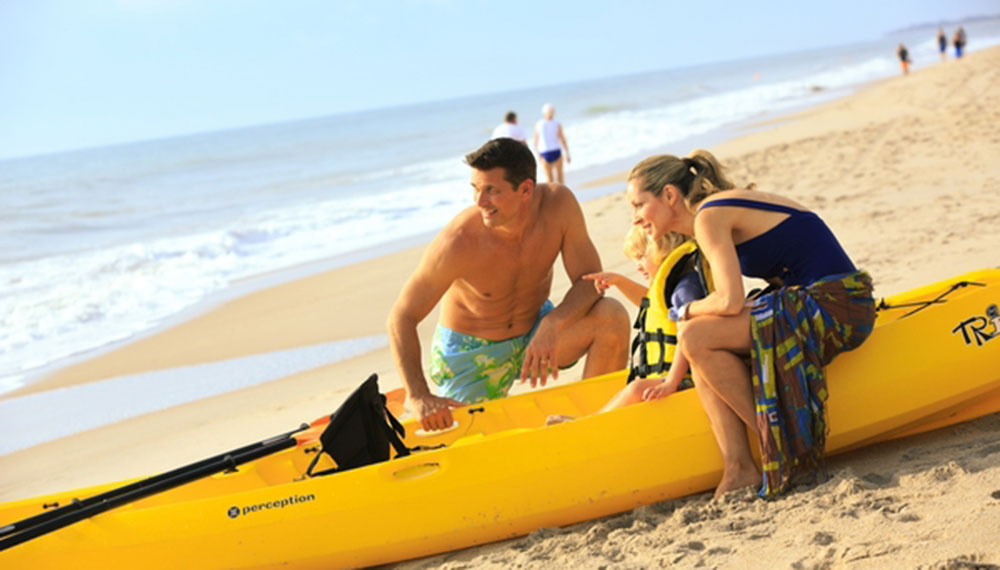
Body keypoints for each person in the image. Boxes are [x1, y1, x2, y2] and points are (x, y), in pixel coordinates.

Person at [625, 149, 876, 499]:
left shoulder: (709, 217)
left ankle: (780, 441)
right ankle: (739, 467)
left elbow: (728, 301)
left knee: (696, 334)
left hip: (838, 305)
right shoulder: (712, 215)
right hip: (817, 301)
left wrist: (682, 312)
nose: (636, 219)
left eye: (638, 205)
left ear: (669, 195)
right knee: (700, 347)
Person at [388, 138, 630, 432]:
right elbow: (402, 316)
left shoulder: (558, 207)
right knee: (465, 443)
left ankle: (596, 427)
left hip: (536, 333)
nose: (480, 202)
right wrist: (419, 395)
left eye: (491, 190)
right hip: (472, 352)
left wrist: (553, 324)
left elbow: (591, 280)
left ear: (525, 189)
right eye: (475, 189)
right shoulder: (459, 241)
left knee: (610, 316)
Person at [546, 227, 710, 425]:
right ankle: (591, 420)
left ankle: (589, 424)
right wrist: (620, 282)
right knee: (627, 389)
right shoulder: (674, 286)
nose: (638, 265)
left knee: (636, 389)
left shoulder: (685, 289)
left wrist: (671, 382)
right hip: (673, 377)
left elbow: (688, 333)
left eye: (642, 256)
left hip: (687, 379)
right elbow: (651, 306)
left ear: (666, 248)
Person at [533, 103, 571, 185]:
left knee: (549, 180)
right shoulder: (557, 123)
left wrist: (538, 155)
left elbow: (535, 142)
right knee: (560, 178)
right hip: (556, 150)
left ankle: (551, 197)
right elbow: (562, 139)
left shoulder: (538, 124)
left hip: (544, 152)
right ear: (554, 112)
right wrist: (567, 153)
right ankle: (562, 196)